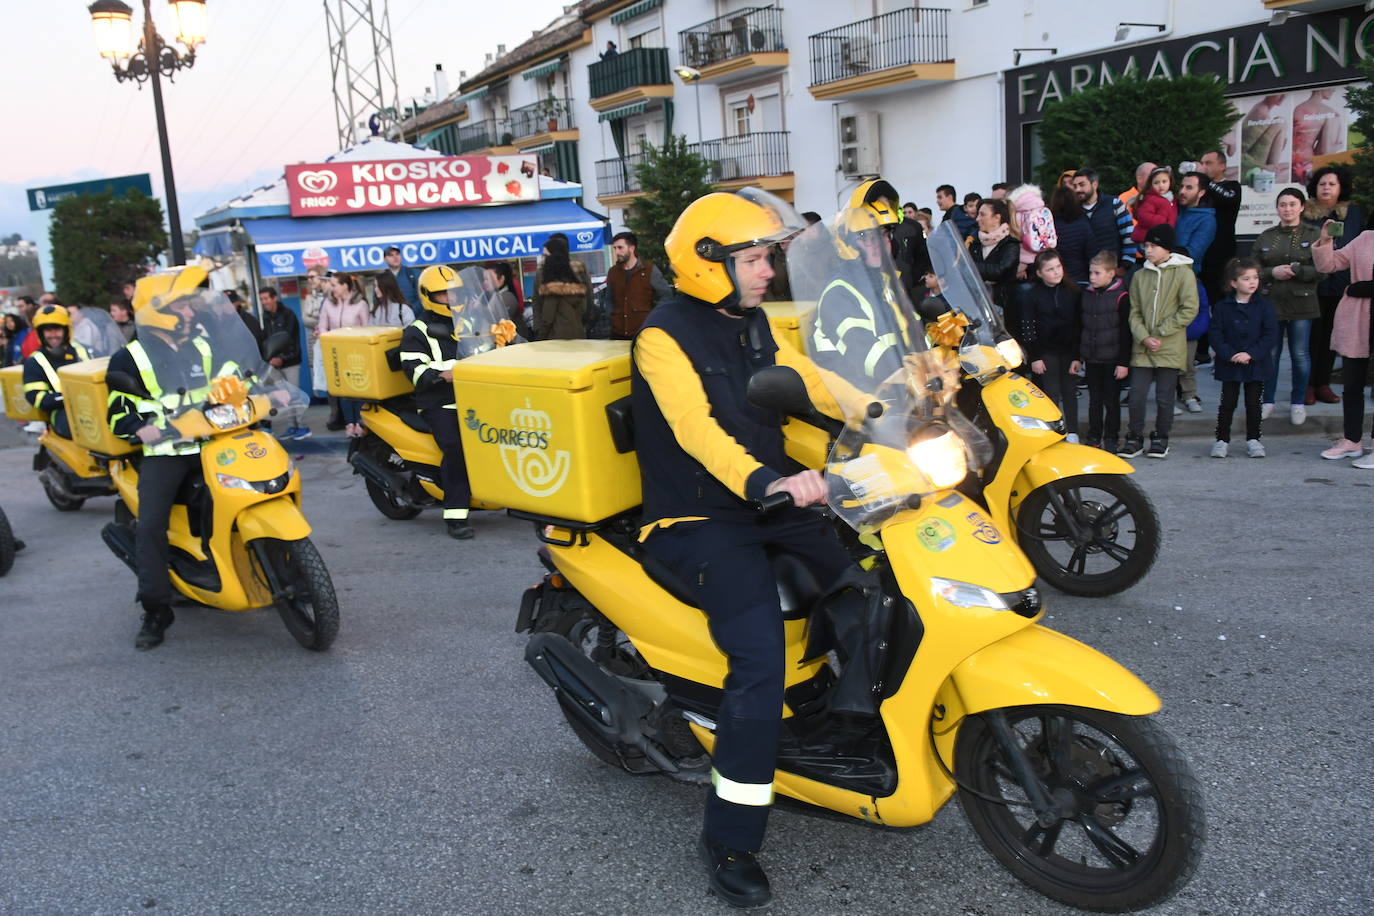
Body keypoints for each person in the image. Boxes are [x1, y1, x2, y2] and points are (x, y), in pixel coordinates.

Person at [633, 189, 864, 909]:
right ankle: (730, 837)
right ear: (709, 263)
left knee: (868, 586)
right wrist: (768, 480)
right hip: (699, 518)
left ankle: (849, 724)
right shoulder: (662, 335)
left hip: (772, 504)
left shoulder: (755, 322)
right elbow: (697, 430)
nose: (767, 270)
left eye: (768, 257)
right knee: (759, 656)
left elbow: (812, 384)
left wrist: (893, 405)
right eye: (755, 258)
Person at [106, 285, 232, 650]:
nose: (191, 314)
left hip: (214, 442)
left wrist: (270, 390)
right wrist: (137, 427)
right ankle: (156, 609)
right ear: (159, 312)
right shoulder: (129, 359)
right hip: (165, 451)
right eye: (182, 308)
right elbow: (117, 411)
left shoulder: (203, 346)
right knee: (150, 526)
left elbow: (237, 375)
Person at [398, 265, 477, 538]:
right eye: (444, 295)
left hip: (472, 398)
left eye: (454, 293)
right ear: (428, 296)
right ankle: (455, 516)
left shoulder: (465, 323)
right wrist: (441, 375)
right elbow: (414, 370)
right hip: (438, 401)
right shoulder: (416, 331)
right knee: (456, 449)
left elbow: (482, 350)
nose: (451, 299)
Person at [1120, 224, 1198, 459]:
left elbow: (1189, 308)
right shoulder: (1140, 275)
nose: (1148, 250)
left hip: (1169, 345)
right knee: (1137, 395)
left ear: (1166, 248)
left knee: (1165, 397)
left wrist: (1161, 332)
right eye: (1146, 245)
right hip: (1143, 346)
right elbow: (1133, 312)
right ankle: (1134, 436)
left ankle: (1161, 436)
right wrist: (1144, 336)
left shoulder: (1183, 272)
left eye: (1153, 246)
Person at [1253, 187, 1322, 426]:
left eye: (1292, 204)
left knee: (1300, 355)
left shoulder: (1314, 234)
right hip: (1272, 303)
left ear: (1302, 207)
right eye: (1283, 204)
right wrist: (1272, 272)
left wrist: (1298, 270)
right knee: (1270, 355)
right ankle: (1268, 401)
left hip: (1303, 302)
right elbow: (1252, 270)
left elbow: (1323, 269)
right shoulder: (1266, 236)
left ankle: (1298, 402)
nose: (1287, 209)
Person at [1312, 219, 1374, 466]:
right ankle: (1352, 440)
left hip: (1362, 305)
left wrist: (1366, 287)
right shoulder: (1366, 237)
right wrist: (1326, 240)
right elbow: (1329, 264)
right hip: (1359, 318)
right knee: (1353, 383)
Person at [1303, 165, 1364, 405]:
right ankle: (1306, 384)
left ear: (1341, 188)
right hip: (1312, 282)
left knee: (1330, 335)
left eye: (1332, 184)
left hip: (1341, 282)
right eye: (1322, 184)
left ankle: (1322, 383)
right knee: (1311, 337)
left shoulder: (1353, 213)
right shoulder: (1306, 213)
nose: (1326, 188)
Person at [1209, 258, 1278, 459]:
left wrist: (1251, 353)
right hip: (1230, 363)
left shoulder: (1265, 306)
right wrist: (1230, 354)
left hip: (1255, 363)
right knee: (1228, 403)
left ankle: (1254, 440)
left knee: (1254, 403)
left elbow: (1270, 334)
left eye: (1255, 277)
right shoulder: (1222, 307)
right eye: (1246, 278)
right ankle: (1222, 440)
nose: (1252, 282)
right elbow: (1216, 334)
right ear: (1233, 282)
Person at [1021, 249, 1082, 438]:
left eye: (1058, 267)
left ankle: (1073, 432)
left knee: (1070, 392)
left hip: (1068, 351)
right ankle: (1056, 433)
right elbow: (1028, 327)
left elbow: (1079, 325)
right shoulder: (1032, 295)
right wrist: (1035, 356)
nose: (1056, 272)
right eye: (1050, 269)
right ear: (1039, 273)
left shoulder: (1073, 292)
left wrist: (1077, 356)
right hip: (1046, 351)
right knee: (1051, 393)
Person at [1079, 251, 1131, 452]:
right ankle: (1094, 436)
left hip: (1113, 359)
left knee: (1111, 401)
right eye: (1091, 273)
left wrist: (1123, 362)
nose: (1092, 277)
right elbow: (1081, 324)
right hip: (1092, 357)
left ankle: (1111, 437)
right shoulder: (1087, 294)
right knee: (1094, 401)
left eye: (1097, 273)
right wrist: (1080, 355)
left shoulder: (1121, 296)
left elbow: (1126, 332)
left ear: (1111, 274)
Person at [1174, 171, 1217, 412]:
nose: (1182, 191)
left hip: (1188, 280)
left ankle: (1189, 392)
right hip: (1165, 279)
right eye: (1182, 186)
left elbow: (1191, 253)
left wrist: (1166, 250)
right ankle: (1172, 393)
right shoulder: (1175, 210)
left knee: (1188, 342)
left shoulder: (1207, 219)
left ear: (1201, 192)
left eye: (1189, 187)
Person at [316, 272, 370, 437]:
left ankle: (361, 422)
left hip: (356, 353)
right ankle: (349, 423)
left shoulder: (360, 303)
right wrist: (330, 338)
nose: (331, 288)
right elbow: (322, 326)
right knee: (343, 390)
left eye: (334, 285)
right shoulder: (328, 303)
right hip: (336, 353)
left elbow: (367, 329)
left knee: (359, 389)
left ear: (345, 285)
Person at [21, 305, 88, 438]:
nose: (53, 335)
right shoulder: (34, 361)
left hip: (90, 406)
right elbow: (35, 397)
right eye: (47, 330)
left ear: (66, 330)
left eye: (57, 329)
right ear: (41, 333)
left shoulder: (82, 350)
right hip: (60, 412)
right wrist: (65, 397)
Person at [257, 286, 309, 440]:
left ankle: (303, 427)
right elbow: (267, 340)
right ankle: (292, 427)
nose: (264, 302)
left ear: (275, 298)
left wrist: (283, 358)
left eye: (266, 298)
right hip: (274, 364)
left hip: (291, 362)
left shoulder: (288, 314)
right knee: (283, 397)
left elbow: (291, 340)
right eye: (261, 299)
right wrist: (270, 359)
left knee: (295, 395)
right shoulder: (265, 317)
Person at [1197, 148, 1243, 316]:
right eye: (1202, 163)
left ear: (1222, 166)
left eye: (1208, 163)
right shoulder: (1200, 189)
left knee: (1221, 303)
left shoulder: (1232, 187)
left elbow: (1226, 198)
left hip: (1222, 256)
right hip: (1201, 253)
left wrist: (1204, 179)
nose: (1204, 167)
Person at [606, 231, 671, 339]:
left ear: (631, 248)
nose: (617, 252)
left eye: (620, 247)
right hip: (617, 333)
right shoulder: (613, 272)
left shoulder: (649, 270)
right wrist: (611, 317)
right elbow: (609, 299)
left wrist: (654, 318)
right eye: (615, 248)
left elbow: (665, 295)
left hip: (643, 331)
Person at [968, 198, 1021, 330]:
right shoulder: (975, 244)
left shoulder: (1011, 244)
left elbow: (999, 270)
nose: (977, 219)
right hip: (977, 304)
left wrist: (970, 266)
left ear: (997, 218)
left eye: (982, 214)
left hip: (1002, 305)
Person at [533, 235, 590, 340]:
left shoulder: (552, 289)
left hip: (557, 340)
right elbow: (585, 309)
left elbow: (547, 319)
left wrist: (539, 337)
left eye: (546, 256)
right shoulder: (577, 287)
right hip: (579, 336)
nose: (543, 259)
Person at [1048, 184, 1096, 286]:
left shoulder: (1050, 226)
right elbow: (1092, 253)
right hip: (1081, 278)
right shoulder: (1084, 224)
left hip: (1057, 279)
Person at [1008, 183, 1057, 280]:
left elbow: (1016, 241)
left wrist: (1022, 263)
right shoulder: (1043, 211)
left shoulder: (1016, 215)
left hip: (1024, 263)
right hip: (1045, 258)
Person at [1130, 167, 1178, 249]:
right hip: (1147, 238)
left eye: (1164, 181)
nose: (1161, 185)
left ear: (1170, 182)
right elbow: (1144, 216)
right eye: (1156, 183)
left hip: (1161, 238)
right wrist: (1163, 222)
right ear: (1151, 185)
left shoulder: (1173, 200)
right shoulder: (1151, 199)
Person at [482, 260, 527, 339]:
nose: (485, 282)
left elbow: (500, 320)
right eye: (484, 279)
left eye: (488, 279)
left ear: (501, 279)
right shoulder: (490, 296)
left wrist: (480, 309)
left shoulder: (507, 297)